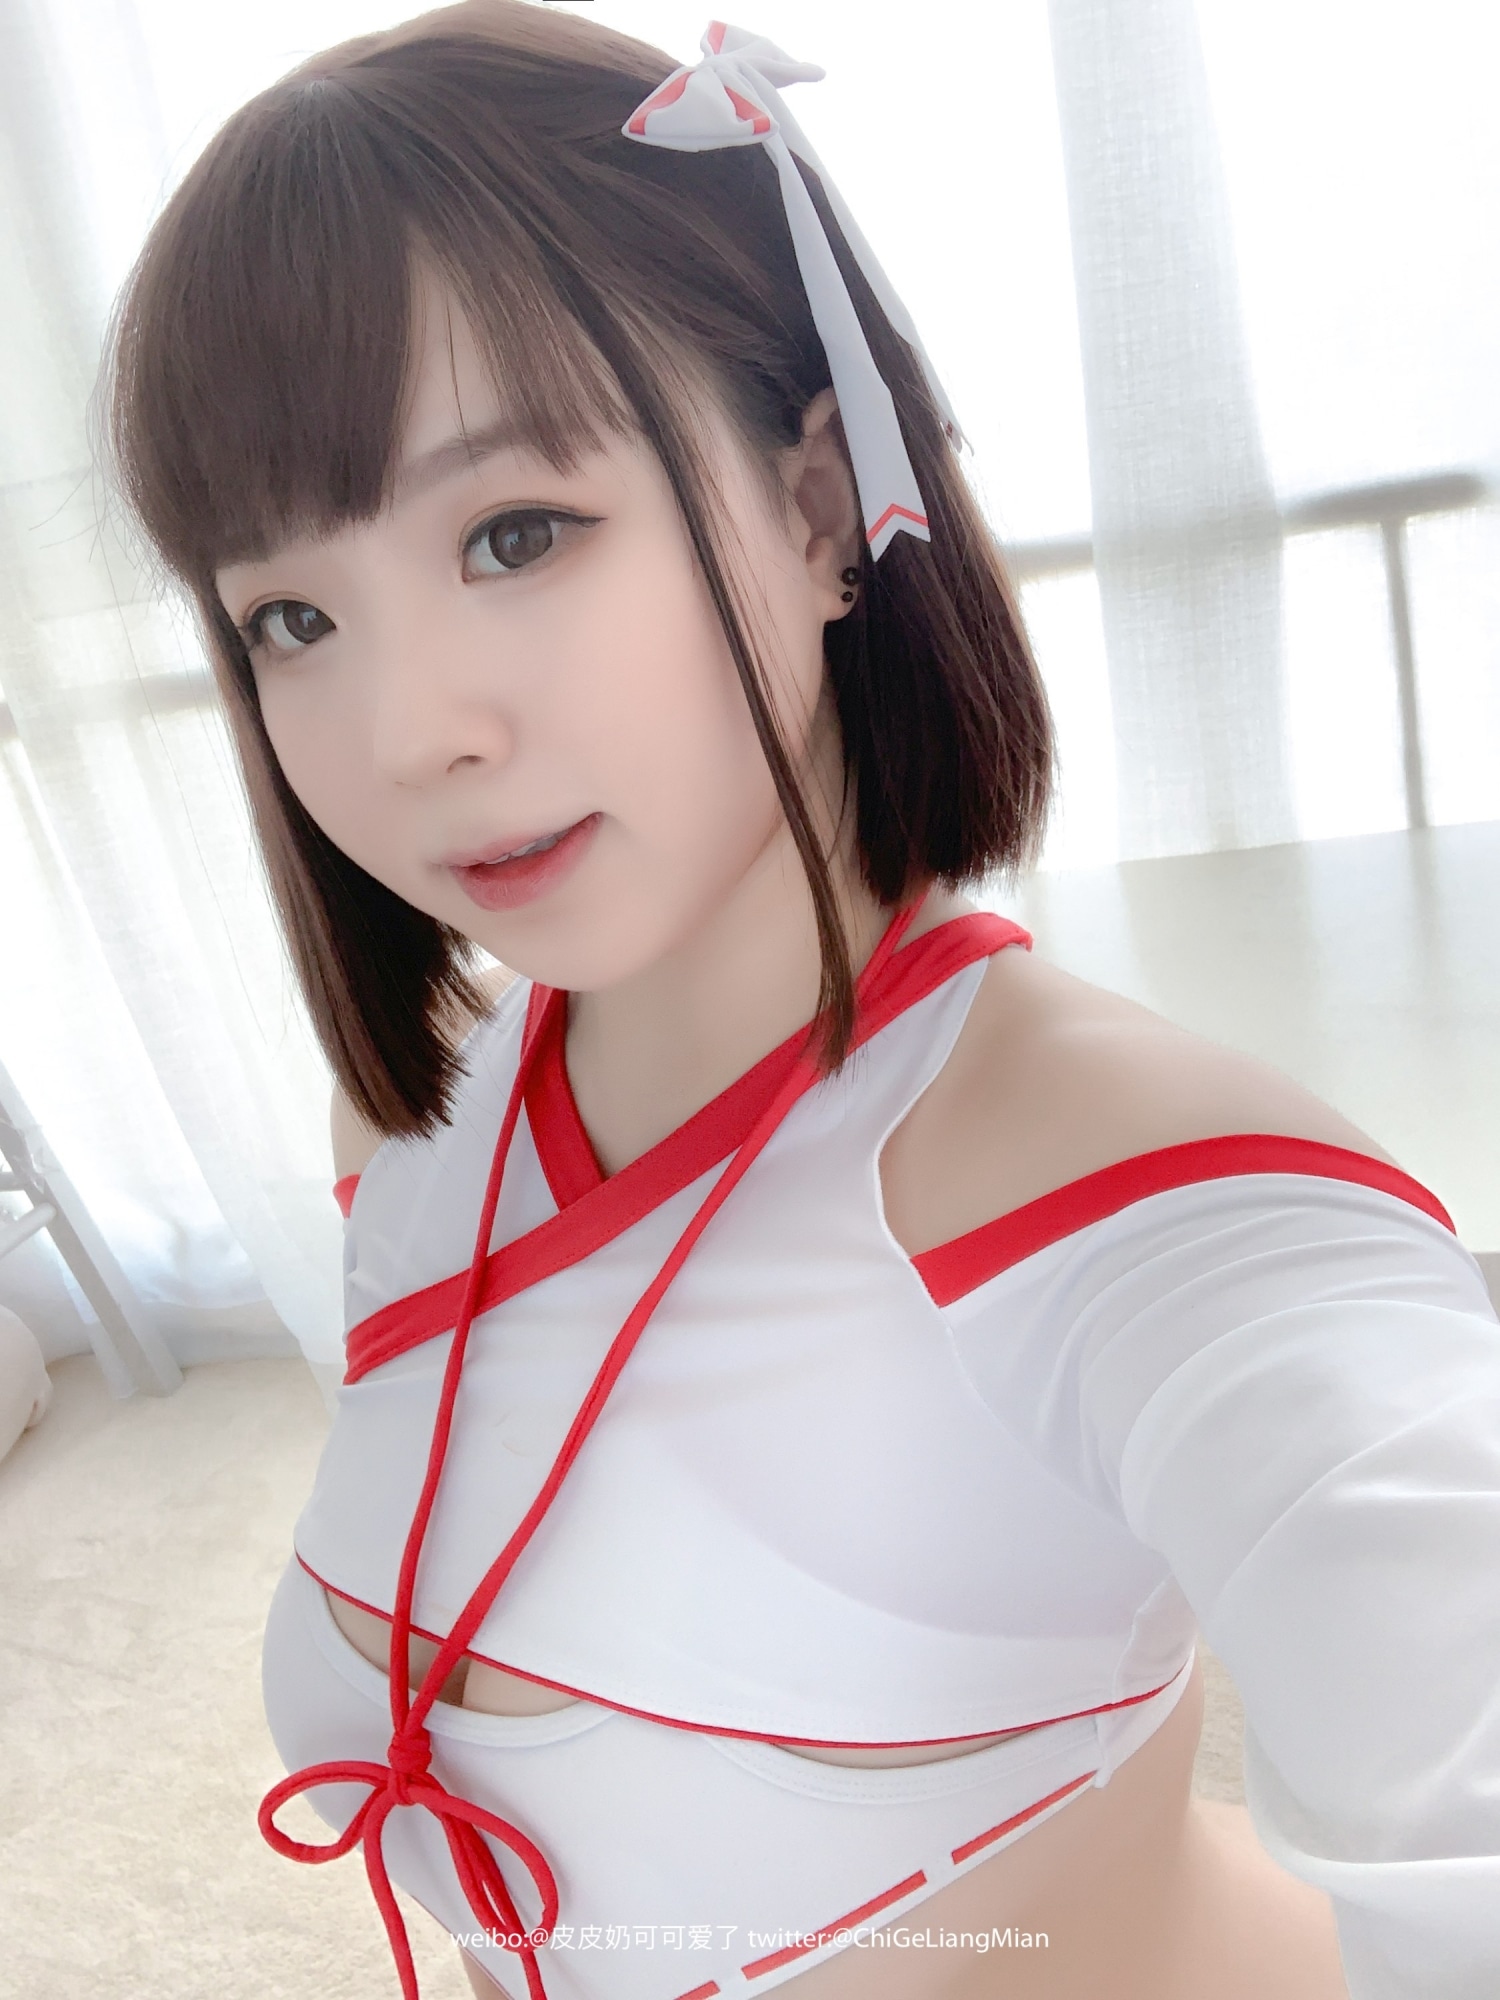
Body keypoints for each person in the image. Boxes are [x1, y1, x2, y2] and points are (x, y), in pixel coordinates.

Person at [101, 5, 1500, 1999]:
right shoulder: (415, 1137)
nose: (409, 733)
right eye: (292, 617)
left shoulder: (1141, 1200)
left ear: (825, 503)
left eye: (516, 532)